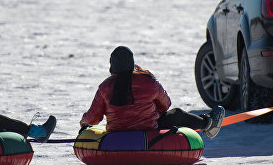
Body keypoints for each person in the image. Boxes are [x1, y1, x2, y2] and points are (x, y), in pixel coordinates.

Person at [80, 46, 225, 139]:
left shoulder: (105, 87)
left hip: (117, 133)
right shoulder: (147, 81)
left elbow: (93, 118)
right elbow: (166, 105)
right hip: (148, 132)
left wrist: (83, 123)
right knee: (176, 114)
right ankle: (208, 123)